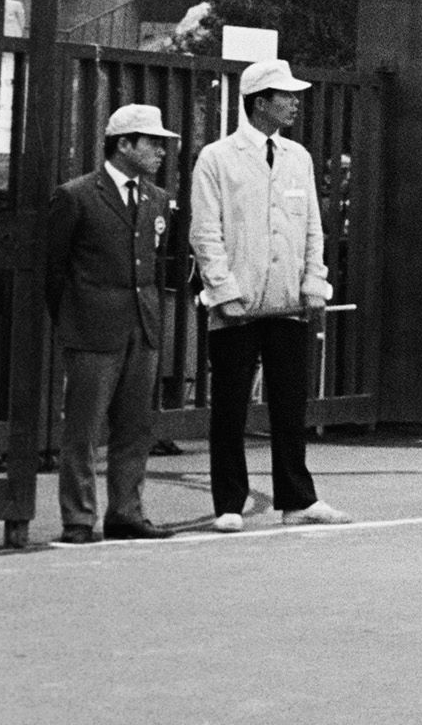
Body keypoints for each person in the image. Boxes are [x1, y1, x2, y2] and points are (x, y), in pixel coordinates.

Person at [190, 59, 349, 531]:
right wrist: (223, 290)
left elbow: (312, 229)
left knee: (289, 403)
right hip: (237, 306)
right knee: (231, 405)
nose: (295, 103)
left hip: (288, 304)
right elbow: (205, 232)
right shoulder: (217, 158)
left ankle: (297, 498)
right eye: (286, 95)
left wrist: (314, 283)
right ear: (261, 102)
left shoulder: (297, 156)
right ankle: (229, 502)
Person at [45, 104, 184, 543]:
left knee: (135, 426)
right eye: (152, 142)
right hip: (92, 325)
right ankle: (79, 517)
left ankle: (126, 511)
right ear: (123, 144)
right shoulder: (77, 195)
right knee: (83, 428)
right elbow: (54, 270)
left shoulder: (156, 198)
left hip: (140, 325)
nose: (161, 150)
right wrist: (72, 320)